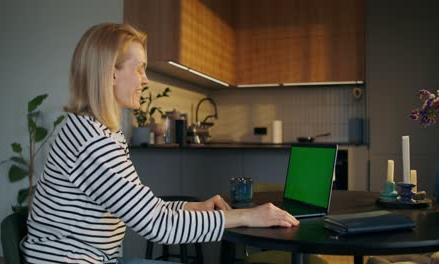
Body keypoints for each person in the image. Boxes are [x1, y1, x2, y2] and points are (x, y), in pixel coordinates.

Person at [20, 23, 299, 263]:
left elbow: (148, 209)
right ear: (111, 72)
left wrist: (193, 207)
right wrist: (247, 216)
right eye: (140, 69)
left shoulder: (93, 131)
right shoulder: (92, 142)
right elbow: (157, 226)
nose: (145, 79)